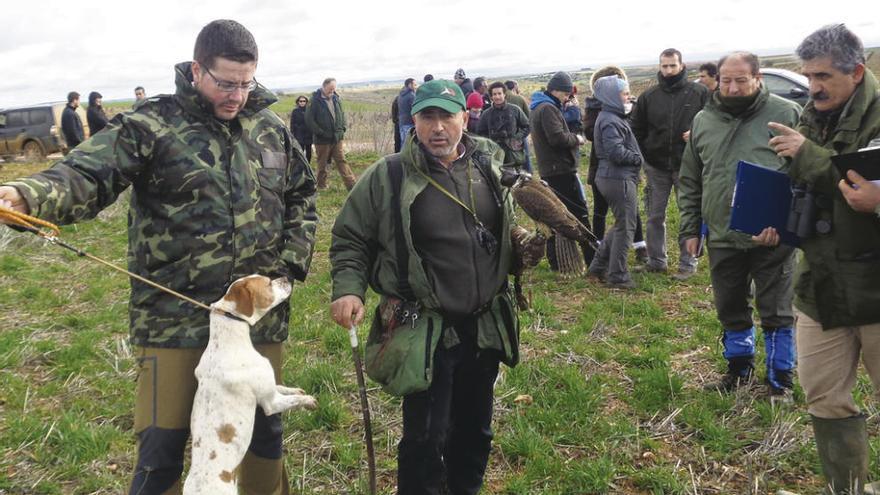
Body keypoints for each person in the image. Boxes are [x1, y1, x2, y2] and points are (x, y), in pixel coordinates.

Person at [0, 19, 318, 494]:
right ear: (197, 69)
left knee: (260, 442)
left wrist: (286, 269)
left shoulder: (269, 128)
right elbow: (88, 172)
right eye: (225, 83)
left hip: (254, 322)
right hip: (172, 319)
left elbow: (303, 196)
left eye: (246, 83)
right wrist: (27, 194)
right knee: (162, 449)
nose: (237, 95)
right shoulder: (153, 123)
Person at [329, 79, 524, 495]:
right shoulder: (389, 175)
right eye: (427, 117)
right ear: (413, 120)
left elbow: (501, 231)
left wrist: (524, 245)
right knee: (425, 439)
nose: (438, 127)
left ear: (465, 118)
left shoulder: (489, 167)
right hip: (424, 328)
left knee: (475, 431)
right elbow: (350, 237)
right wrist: (348, 288)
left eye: (447, 116)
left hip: (484, 323)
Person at [757, 24, 880, 495]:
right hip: (821, 288)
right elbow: (809, 193)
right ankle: (846, 490)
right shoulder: (811, 117)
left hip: (875, 287)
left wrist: (810, 157)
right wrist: (778, 225)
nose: (814, 87)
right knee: (825, 398)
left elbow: (850, 183)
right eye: (808, 76)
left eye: (824, 75)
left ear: (857, 72)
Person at [678, 52, 801, 400]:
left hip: (772, 238)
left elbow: (803, 177)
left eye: (740, 80)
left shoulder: (786, 113)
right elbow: (690, 180)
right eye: (726, 80)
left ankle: (780, 379)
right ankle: (738, 368)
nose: (732, 87)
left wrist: (783, 223)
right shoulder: (703, 120)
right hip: (722, 234)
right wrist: (689, 229)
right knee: (729, 305)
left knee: (776, 309)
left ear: (757, 78)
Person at [630, 48, 709, 279]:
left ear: (682, 66)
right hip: (656, 166)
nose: (668, 70)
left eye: (672, 65)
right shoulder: (649, 97)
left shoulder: (699, 93)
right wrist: (646, 155)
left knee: (689, 214)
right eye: (664, 66)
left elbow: (716, 123)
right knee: (655, 215)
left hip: (688, 164)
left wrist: (697, 133)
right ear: (659, 67)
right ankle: (656, 261)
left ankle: (688, 263)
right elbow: (636, 129)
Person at [529, 71, 594, 269]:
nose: (567, 98)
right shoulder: (548, 108)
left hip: (550, 169)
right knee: (578, 215)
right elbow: (557, 138)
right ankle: (593, 259)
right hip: (561, 170)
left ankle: (556, 262)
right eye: (566, 93)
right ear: (556, 91)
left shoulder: (538, 106)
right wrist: (577, 139)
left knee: (553, 216)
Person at [584, 67, 647, 262]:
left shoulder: (628, 106)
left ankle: (639, 247)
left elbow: (636, 129)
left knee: (630, 209)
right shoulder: (597, 109)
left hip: (624, 166)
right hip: (604, 164)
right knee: (601, 211)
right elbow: (589, 133)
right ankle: (599, 247)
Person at [305, 77, 356, 190]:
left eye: (333, 89)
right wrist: (320, 132)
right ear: (323, 87)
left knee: (342, 161)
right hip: (322, 140)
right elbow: (309, 120)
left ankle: (352, 185)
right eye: (330, 89)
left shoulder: (336, 99)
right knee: (322, 163)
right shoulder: (314, 101)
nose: (332, 91)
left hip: (337, 138)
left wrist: (342, 128)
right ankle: (321, 185)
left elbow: (341, 115)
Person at [476, 81, 530, 170]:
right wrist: (490, 143)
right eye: (494, 94)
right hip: (495, 155)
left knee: (517, 178)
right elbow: (480, 132)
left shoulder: (515, 110)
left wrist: (516, 138)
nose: (497, 97)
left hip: (513, 154)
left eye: (499, 93)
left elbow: (527, 126)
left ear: (504, 94)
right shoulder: (486, 114)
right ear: (491, 97)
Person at [504, 80, 532, 172]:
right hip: (519, 132)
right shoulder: (519, 98)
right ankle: (528, 175)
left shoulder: (498, 99)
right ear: (513, 87)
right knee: (525, 155)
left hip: (503, 134)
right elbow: (528, 116)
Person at [290, 95, 313, 162]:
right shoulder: (295, 111)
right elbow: (292, 123)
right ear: (298, 102)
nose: (302, 102)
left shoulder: (310, 111)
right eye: (301, 101)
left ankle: (308, 165)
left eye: (304, 101)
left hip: (308, 134)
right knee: (300, 151)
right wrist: (292, 135)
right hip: (299, 134)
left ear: (306, 102)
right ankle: (301, 165)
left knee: (309, 151)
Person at [398, 78, 417, 144]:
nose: (416, 87)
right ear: (409, 85)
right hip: (410, 123)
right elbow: (414, 111)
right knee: (409, 144)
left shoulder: (401, 95)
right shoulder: (411, 96)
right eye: (414, 85)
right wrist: (417, 123)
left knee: (403, 143)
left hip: (402, 122)